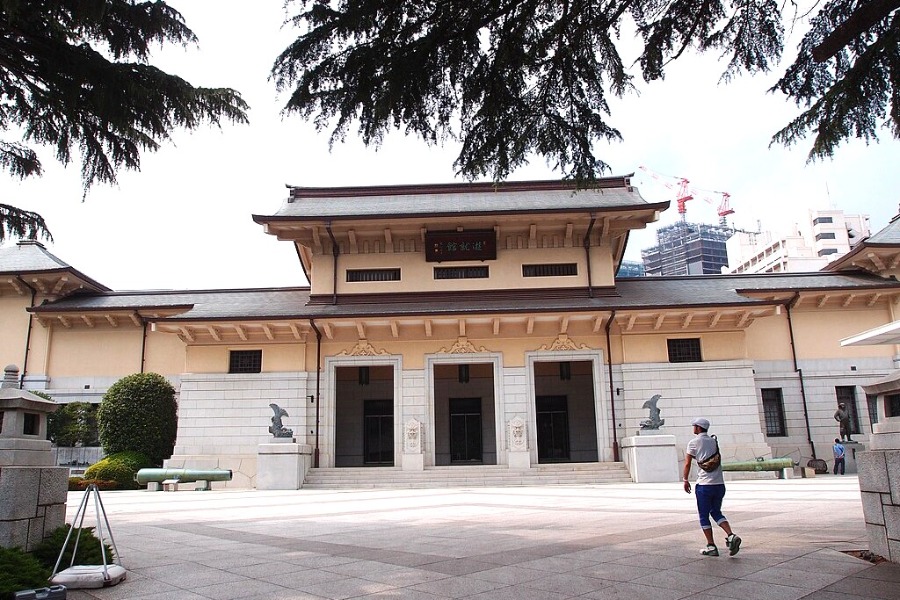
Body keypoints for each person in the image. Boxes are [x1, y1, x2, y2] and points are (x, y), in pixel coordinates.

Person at [683, 417, 741, 557]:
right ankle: (731, 535)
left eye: (694, 426)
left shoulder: (694, 443)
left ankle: (711, 545)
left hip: (704, 485)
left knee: (704, 516)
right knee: (716, 512)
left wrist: (685, 479)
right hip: (719, 484)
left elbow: (687, 463)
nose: (693, 428)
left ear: (698, 428)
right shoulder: (714, 441)